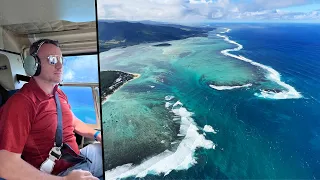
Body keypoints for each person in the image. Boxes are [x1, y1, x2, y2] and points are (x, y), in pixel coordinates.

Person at [0, 39, 103, 180]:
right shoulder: (21, 104)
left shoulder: (58, 93)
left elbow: (73, 122)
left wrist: (97, 135)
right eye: (53, 60)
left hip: (78, 158)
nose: (60, 65)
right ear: (33, 65)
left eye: (61, 59)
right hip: (57, 174)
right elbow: (6, 165)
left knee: (116, 149)